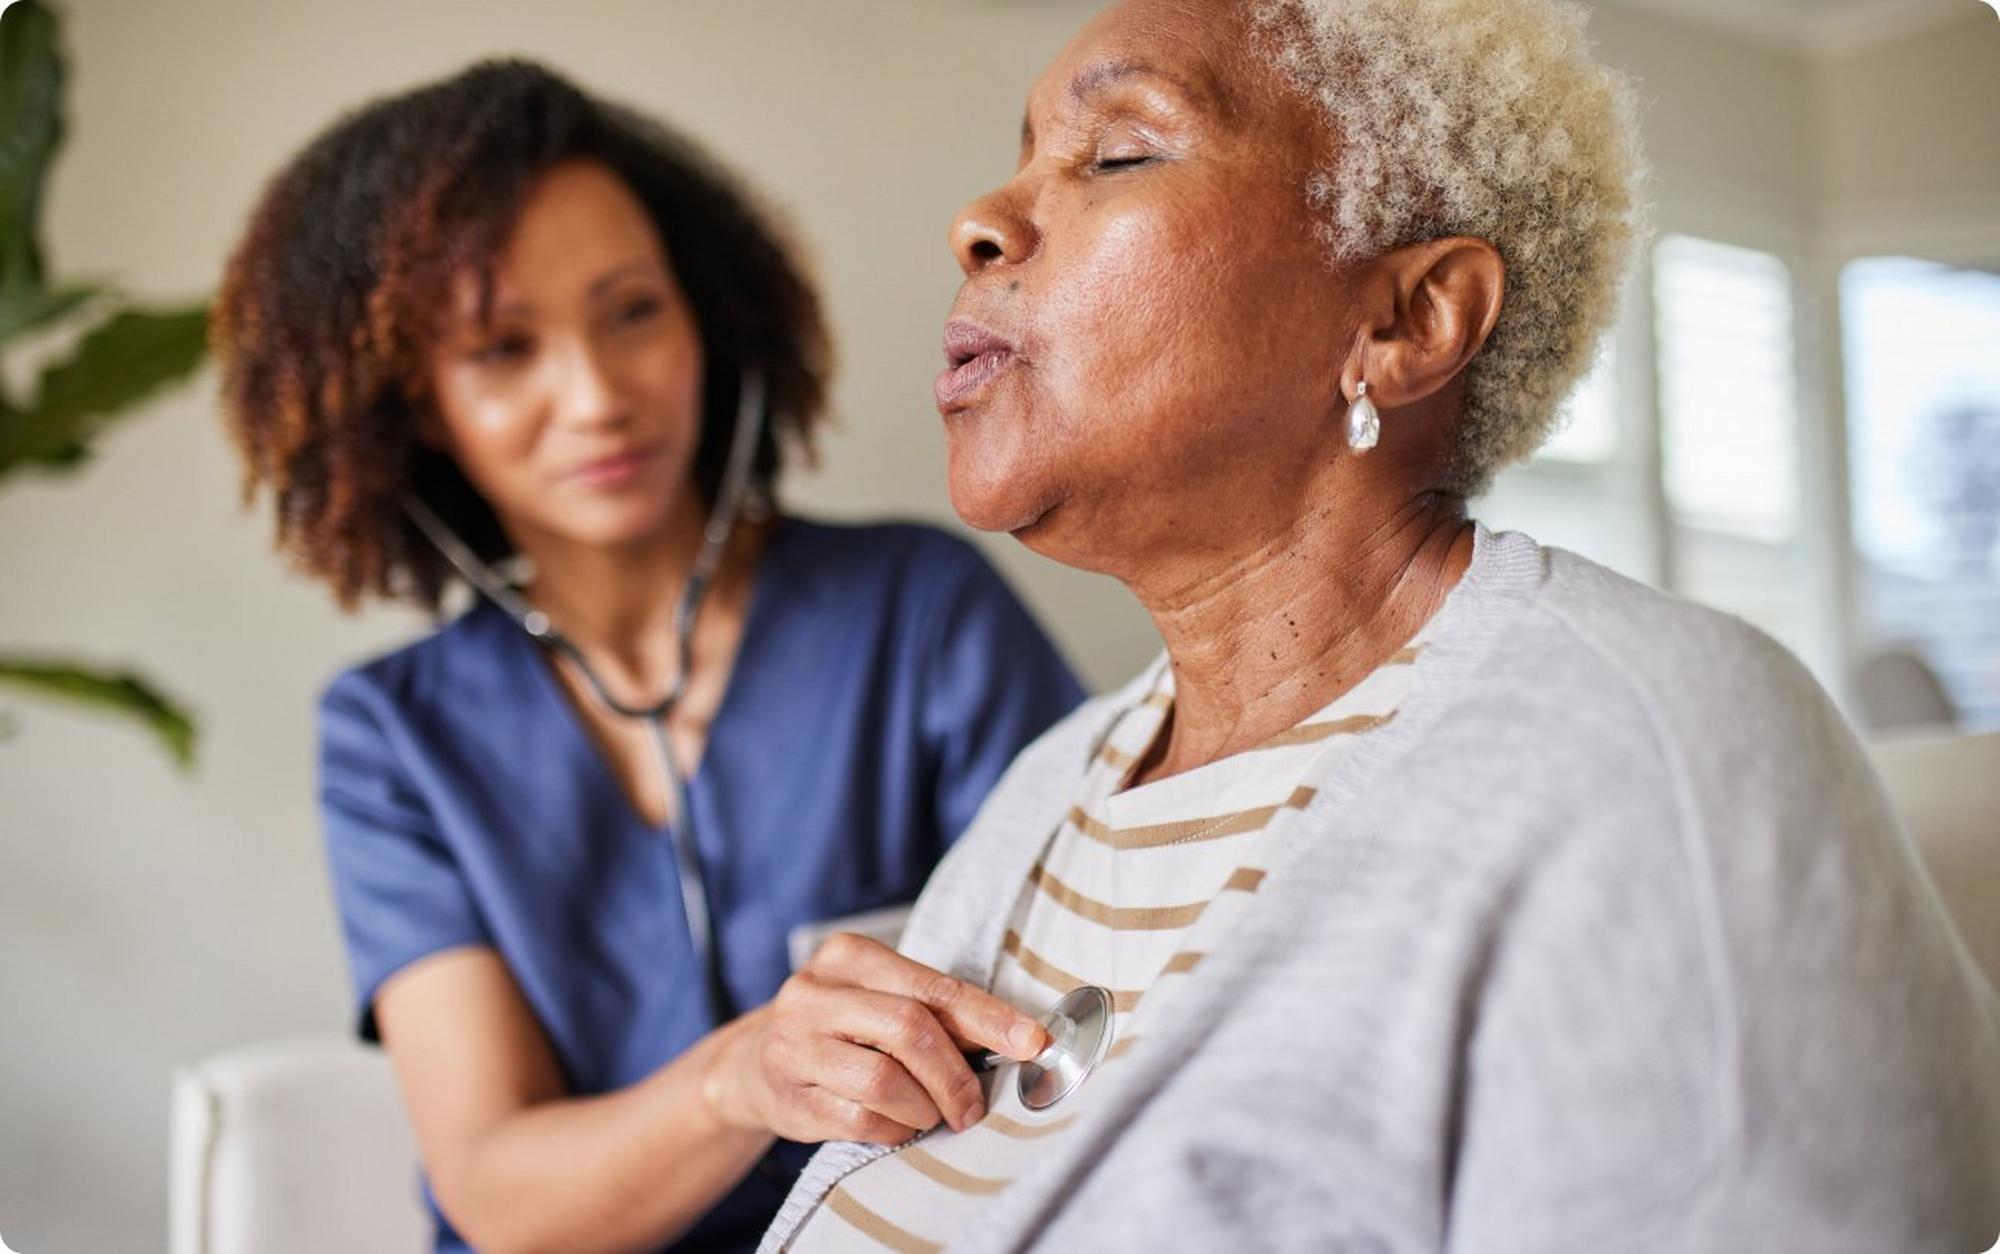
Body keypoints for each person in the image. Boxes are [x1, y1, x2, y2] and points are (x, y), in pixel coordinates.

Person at [751, 0, 2000, 1249]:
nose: (982, 220)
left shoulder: (1665, 756)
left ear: (1406, 322)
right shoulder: (1049, 789)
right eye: (1022, 152)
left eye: (1118, 152)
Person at [211, 61, 1082, 1254]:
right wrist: (738, 1080)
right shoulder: (393, 734)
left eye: (631, 311)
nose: (596, 396)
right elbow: (500, 1192)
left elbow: (1087, 1011)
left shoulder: (916, 613)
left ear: (704, 319)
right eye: (504, 349)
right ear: (415, 406)